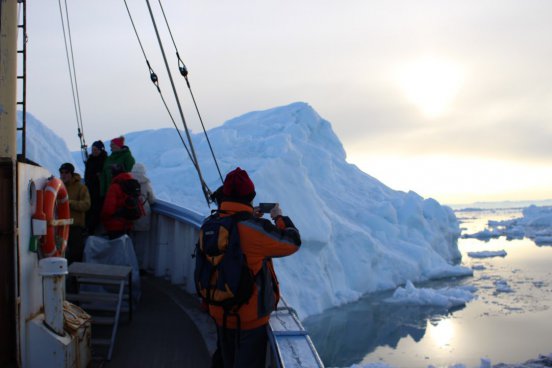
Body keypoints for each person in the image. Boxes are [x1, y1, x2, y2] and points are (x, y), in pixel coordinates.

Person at [206, 167, 301, 368]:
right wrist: (278, 217)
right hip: (249, 317)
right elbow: (292, 242)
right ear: (250, 196)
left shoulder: (211, 223)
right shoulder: (253, 228)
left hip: (219, 311)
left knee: (225, 360)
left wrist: (249, 215)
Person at [59, 162, 91, 264]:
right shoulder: (59, 187)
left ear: (72, 174)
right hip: (61, 226)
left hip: (75, 228)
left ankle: (74, 278)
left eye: (66, 172)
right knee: (61, 253)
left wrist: (70, 203)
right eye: (61, 172)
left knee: (75, 254)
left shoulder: (81, 188)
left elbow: (86, 205)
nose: (63, 175)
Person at [130, 163, 156, 269]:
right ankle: (138, 267)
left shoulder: (127, 181)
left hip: (130, 214)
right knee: (140, 244)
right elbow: (152, 199)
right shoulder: (146, 183)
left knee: (129, 242)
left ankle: (128, 266)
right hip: (142, 214)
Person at [101, 164, 135, 239]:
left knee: (115, 248)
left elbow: (108, 209)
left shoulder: (114, 186)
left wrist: (103, 218)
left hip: (115, 225)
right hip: (128, 223)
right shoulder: (130, 183)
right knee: (124, 247)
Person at [84, 140, 107, 234]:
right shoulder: (91, 159)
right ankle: (87, 228)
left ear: (101, 150)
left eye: (96, 150)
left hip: (98, 189)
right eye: (93, 149)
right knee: (89, 208)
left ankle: (90, 229)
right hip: (89, 187)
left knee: (95, 209)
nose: (94, 151)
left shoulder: (104, 161)